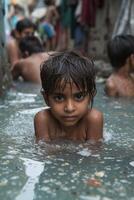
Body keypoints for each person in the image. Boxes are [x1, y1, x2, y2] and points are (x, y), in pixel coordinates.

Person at [34, 51, 103, 142]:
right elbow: (44, 153)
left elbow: (92, 153)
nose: (69, 108)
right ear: (46, 98)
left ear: (90, 96)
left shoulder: (93, 119)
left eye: (78, 97)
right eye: (59, 98)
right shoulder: (43, 120)